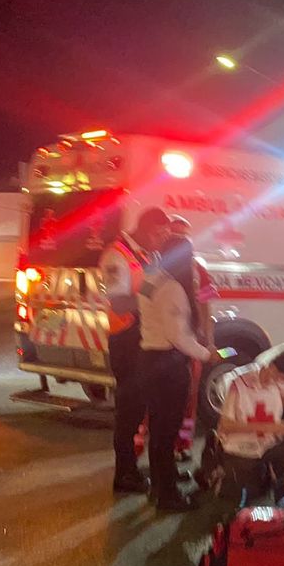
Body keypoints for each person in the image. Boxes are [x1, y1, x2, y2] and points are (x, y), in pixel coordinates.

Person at [137, 235, 219, 511]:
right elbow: (178, 337)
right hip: (167, 365)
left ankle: (162, 481)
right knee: (166, 431)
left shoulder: (151, 278)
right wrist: (207, 354)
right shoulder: (172, 288)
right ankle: (167, 495)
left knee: (160, 429)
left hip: (152, 359)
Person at [102, 206, 171, 493]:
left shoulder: (146, 254)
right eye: (158, 234)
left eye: (165, 235)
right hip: (126, 341)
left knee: (141, 408)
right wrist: (156, 300)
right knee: (128, 413)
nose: (161, 240)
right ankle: (124, 475)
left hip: (143, 340)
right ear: (144, 229)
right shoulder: (116, 255)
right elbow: (119, 303)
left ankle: (133, 467)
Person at [216, 348, 284, 504]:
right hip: (239, 447)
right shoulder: (239, 385)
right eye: (282, 377)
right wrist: (270, 427)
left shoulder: (274, 387)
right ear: (272, 367)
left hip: (264, 445)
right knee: (244, 495)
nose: (282, 382)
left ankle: (282, 494)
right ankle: (222, 475)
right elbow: (225, 425)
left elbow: (270, 416)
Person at [168, 215, 220, 458]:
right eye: (175, 235)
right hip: (166, 345)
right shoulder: (156, 267)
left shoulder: (198, 269)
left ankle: (182, 445)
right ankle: (162, 448)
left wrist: (209, 341)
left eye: (183, 236)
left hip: (190, 344)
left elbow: (207, 308)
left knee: (189, 400)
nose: (180, 241)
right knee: (164, 401)